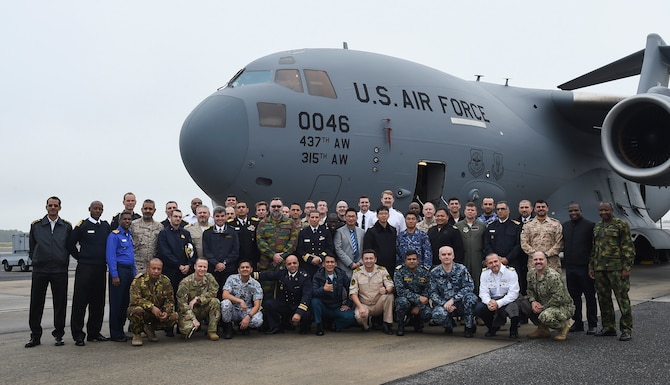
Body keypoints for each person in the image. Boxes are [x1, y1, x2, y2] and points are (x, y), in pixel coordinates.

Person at [25, 196, 74, 348]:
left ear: (60, 208)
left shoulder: (66, 226)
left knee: (60, 303)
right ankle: (35, 336)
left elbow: (69, 246)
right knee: (36, 303)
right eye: (50, 205)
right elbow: (32, 247)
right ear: (46, 207)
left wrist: (63, 260)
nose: (53, 207)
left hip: (59, 269)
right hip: (40, 269)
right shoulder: (36, 226)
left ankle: (58, 335)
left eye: (55, 205)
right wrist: (37, 259)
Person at [589, 201, 635, 341]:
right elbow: (594, 248)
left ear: (612, 210)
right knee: (603, 299)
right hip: (600, 269)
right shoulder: (597, 226)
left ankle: (626, 329)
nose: (603, 212)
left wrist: (627, 268)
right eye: (601, 210)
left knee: (622, 299)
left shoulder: (621, 225)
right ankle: (608, 327)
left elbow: (628, 247)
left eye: (606, 210)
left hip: (616, 269)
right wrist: (591, 266)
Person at [68, 200, 111, 346]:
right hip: (85, 269)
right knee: (80, 302)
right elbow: (70, 244)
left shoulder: (105, 226)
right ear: (90, 209)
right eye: (95, 208)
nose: (98, 211)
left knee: (98, 303)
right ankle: (78, 335)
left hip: (100, 269)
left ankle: (94, 332)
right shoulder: (83, 226)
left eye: (100, 209)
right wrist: (80, 257)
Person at [157, 209, 196, 335]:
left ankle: (182, 325)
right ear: (170, 217)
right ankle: (169, 327)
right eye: (175, 217)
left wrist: (189, 265)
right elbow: (164, 252)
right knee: (170, 299)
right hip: (171, 271)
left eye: (180, 217)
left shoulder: (186, 233)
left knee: (183, 299)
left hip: (184, 272)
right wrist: (178, 265)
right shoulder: (164, 233)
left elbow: (191, 250)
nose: (178, 219)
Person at [521, 251, 574, 341]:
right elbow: (530, 291)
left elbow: (558, 298)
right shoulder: (531, 274)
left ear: (546, 261)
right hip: (543, 304)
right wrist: (533, 302)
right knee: (524, 305)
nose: (538, 262)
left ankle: (563, 326)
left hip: (561, 307)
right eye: (535, 260)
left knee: (545, 316)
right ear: (532, 262)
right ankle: (542, 329)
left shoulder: (553, 276)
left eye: (541, 259)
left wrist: (543, 308)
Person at [562, 202, 597, 335]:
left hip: (585, 268)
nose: (573, 213)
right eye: (570, 211)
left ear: (581, 210)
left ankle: (592, 324)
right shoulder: (565, 226)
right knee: (574, 297)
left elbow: (594, 247)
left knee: (589, 297)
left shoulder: (590, 226)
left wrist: (592, 266)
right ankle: (578, 322)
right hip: (570, 268)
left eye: (575, 210)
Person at [255, 255, 313, 334]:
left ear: (298, 264)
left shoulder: (304, 276)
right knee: (268, 304)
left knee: (306, 315)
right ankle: (276, 327)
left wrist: (299, 313)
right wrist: (248, 274)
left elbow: (307, 296)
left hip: (297, 305)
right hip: (285, 304)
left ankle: (304, 328)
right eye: (289, 264)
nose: (292, 265)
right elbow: (267, 275)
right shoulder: (282, 273)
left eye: (294, 263)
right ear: (286, 265)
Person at [127, 258, 178, 346]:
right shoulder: (138, 280)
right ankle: (137, 333)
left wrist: (166, 311)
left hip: (158, 313)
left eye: (159, 269)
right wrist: (151, 307)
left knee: (174, 317)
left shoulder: (165, 281)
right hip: (144, 312)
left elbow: (170, 300)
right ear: (148, 268)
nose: (156, 271)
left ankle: (150, 328)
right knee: (135, 311)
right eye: (153, 268)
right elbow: (135, 299)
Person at [429, 246, 478, 337]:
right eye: (443, 255)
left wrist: (453, 300)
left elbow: (469, 286)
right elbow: (432, 293)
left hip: (461, 303)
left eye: (449, 254)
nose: (446, 257)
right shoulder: (434, 272)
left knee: (471, 299)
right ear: (439, 257)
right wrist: (445, 304)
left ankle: (469, 326)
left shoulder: (462, 269)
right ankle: (448, 325)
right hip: (444, 304)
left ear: (453, 256)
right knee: (437, 314)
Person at [256, 197, 299, 297]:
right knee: (266, 293)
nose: (276, 208)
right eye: (273, 206)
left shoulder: (290, 223)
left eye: (278, 206)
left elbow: (293, 242)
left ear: (282, 207)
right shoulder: (262, 223)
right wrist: (273, 256)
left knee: (285, 292)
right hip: (267, 264)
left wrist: (282, 256)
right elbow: (260, 242)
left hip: (285, 264)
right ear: (270, 208)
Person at [474, 253, 523, 339]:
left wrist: (498, 303)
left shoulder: (510, 272)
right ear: (487, 264)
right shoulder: (485, 273)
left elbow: (513, 293)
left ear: (500, 261)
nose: (494, 264)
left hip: (508, 299)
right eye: (490, 263)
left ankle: (513, 330)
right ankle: (492, 328)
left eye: (496, 261)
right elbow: (483, 292)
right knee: (479, 308)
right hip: (492, 299)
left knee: (515, 307)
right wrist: (489, 302)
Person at [106, 211, 137, 342]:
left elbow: (131, 256)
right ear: (119, 221)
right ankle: (115, 333)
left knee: (125, 302)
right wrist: (114, 275)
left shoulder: (129, 235)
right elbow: (111, 256)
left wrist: (135, 274)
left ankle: (121, 330)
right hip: (119, 271)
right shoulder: (114, 236)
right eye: (124, 219)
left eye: (129, 219)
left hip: (129, 271)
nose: (127, 221)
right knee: (117, 303)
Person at [349, 249, 395, 335]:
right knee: (359, 316)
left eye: (371, 258)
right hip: (364, 304)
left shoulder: (382, 270)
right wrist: (360, 307)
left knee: (389, 296)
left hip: (378, 303)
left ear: (375, 259)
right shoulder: (357, 272)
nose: (369, 261)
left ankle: (387, 324)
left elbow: (390, 285)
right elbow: (353, 292)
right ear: (362, 260)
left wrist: (386, 290)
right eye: (366, 259)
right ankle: (365, 326)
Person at [483, 200, 524, 294]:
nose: (500, 211)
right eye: (498, 209)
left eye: (503, 209)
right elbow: (486, 244)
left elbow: (518, 245)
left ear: (508, 211)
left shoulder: (516, 226)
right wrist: (495, 258)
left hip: (511, 262)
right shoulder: (491, 226)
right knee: (495, 288)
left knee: (513, 288)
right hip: (494, 263)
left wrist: (507, 258)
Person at [176, 258, 221, 341]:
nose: (202, 269)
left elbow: (214, 292)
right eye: (200, 266)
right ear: (195, 267)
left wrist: (198, 299)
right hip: (189, 311)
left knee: (215, 302)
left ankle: (212, 331)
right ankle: (187, 327)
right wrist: (193, 318)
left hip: (203, 308)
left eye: (205, 267)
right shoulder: (185, 282)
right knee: (186, 330)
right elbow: (182, 304)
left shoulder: (209, 277)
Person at [311, 255, 356, 335]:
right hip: (323, 307)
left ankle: (334, 325)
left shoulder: (341, 274)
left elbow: (351, 289)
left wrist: (348, 304)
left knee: (351, 317)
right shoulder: (317, 276)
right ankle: (319, 326)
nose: (330, 264)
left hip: (336, 307)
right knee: (314, 301)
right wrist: (323, 289)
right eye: (327, 262)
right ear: (323, 264)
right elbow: (313, 293)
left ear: (336, 264)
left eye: (332, 262)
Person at [221, 260, 264, 339]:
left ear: (251, 269)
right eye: (242, 267)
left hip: (245, 310)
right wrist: (240, 301)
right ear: (238, 270)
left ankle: (244, 327)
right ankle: (228, 328)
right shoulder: (232, 278)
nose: (245, 269)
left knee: (258, 320)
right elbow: (225, 295)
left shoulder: (255, 284)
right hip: (233, 309)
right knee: (225, 303)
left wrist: (248, 317)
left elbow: (257, 305)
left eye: (247, 267)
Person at [202, 206, 240, 297]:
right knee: (213, 294)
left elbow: (235, 250)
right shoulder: (207, 233)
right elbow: (206, 251)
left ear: (226, 217)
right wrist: (216, 263)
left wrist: (224, 263)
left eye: (222, 216)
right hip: (213, 269)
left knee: (228, 294)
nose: (220, 218)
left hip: (229, 269)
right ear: (213, 217)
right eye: (217, 216)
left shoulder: (232, 232)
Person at [393, 250, 431, 336]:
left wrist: (419, 306)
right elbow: (400, 290)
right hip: (406, 300)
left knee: (427, 313)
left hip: (421, 301)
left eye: (414, 259)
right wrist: (418, 299)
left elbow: (427, 289)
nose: (411, 261)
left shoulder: (424, 271)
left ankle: (416, 322)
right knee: (402, 302)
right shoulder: (399, 271)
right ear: (405, 261)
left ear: (418, 260)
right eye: (409, 259)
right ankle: (401, 325)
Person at [520, 200, 563, 272]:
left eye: (543, 207)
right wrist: (537, 256)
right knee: (534, 282)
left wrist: (546, 254)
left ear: (547, 208)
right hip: (534, 263)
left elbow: (560, 243)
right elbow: (524, 243)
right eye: (538, 207)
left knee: (553, 282)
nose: (541, 208)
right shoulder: (528, 225)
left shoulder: (556, 224)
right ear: (534, 209)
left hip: (552, 263)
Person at [455, 202, 487, 291]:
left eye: (472, 210)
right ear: (464, 212)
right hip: (463, 256)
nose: (470, 212)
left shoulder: (482, 226)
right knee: (463, 277)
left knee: (478, 278)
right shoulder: (458, 226)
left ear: (476, 212)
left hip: (478, 257)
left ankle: (478, 297)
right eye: (468, 210)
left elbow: (486, 242)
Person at [296, 210, 334, 277]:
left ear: (319, 218)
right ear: (308, 218)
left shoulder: (325, 231)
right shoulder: (303, 232)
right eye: (312, 217)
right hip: (307, 265)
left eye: (316, 217)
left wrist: (320, 258)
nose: (314, 219)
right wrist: (310, 259)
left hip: (321, 265)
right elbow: (300, 249)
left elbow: (330, 247)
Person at [130, 199, 163, 274]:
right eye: (145, 209)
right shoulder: (133, 225)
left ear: (154, 210)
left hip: (153, 267)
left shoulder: (160, 227)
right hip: (136, 265)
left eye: (150, 209)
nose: (147, 211)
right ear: (142, 209)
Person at [363, 206, 398, 276]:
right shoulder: (371, 231)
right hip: (376, 266)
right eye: (381, 214)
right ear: (377, 216)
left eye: (385, 213)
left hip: (391, 265)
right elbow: (367, 249)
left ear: (389, 215)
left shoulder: (393, 230)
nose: (383, 216)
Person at [334, 208, 365, 278]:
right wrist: (350, 263)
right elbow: (338, 249)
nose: (351, 218)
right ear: (345, 218)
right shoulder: (339, 232)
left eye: (353, 216)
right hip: (344, 267)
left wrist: (360, 263)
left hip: (360, 267)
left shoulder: (362, 232)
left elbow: (364, 249)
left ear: (357, 218)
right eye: (349, 216)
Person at [229, 201, 260, 269]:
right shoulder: (230, 224)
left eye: (243, 207)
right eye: (239, 207)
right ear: (235, 211)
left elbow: (257, 242)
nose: (241, 209)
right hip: (236, 259)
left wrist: (258, 260)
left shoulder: (255, 223)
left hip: (252, 258)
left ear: (247, 210)